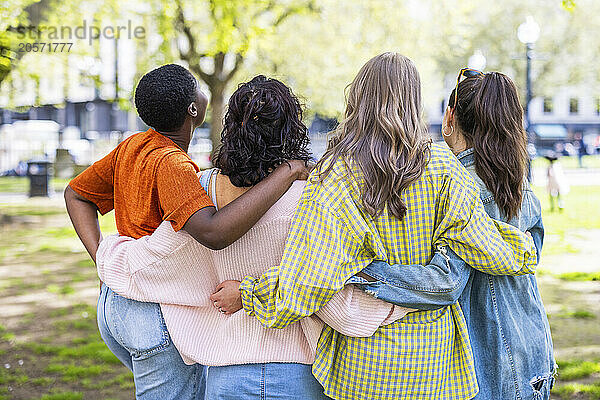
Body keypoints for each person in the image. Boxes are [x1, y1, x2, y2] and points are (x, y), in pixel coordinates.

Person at [212, 53, 538, 400]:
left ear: (360, 99)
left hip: (365, 371)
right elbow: (484, 247)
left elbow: (308, 280)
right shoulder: (445, 169)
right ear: (415, 101)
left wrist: (250, 293)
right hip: (437, 371)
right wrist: (524, 249)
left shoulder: (335, 176)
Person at [94, 75, 411, 400]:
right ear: (293, 128)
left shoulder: (202, 192)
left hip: (226, 376)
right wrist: (402, 305)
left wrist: (107, 251)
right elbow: (329, 292)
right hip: (296, 375)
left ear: (231, 127)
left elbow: (154, 261)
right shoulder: (314, 198)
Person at [64, 65, 309, 400]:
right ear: (193, 108)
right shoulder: (176, 167)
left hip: (114, 302)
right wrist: (288, 171)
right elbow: (213, 231)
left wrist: (103, 260)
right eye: (197, 86)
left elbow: (76, 194)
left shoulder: (133, 146)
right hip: (152, 309)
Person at [347, 70, 556, 399]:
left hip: (490, 365)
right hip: (534, 351)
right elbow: (533, 252)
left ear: (450, 116)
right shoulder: (518, 183)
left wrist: (359, 272)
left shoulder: (455, 185)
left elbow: (445, 281)